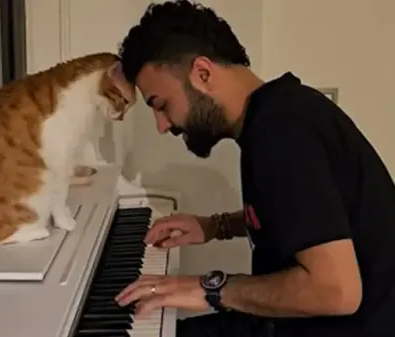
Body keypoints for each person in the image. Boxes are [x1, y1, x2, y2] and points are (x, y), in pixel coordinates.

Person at [113, 1, 395, 336]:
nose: (162, 125)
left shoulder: (282, 132)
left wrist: (211, 289)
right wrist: (216, 226)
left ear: (202, 74)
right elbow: (302, 214)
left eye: (161, 105)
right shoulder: (283, 111)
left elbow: (336, 292)